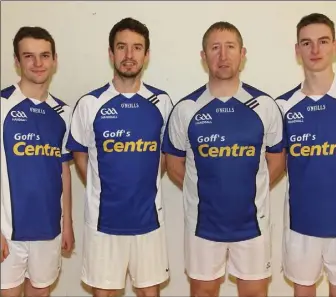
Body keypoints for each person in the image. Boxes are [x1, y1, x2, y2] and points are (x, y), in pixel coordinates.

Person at [162, 21, 286, 297]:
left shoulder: (264, 106)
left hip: (253, 221)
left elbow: (277, 160)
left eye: (230, 47)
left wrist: (248, 190)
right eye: (215, 48)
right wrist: (205, 190)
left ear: (242, 54)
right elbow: (173, 164)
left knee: (254, 292)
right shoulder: (186, 109)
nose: (223, 55)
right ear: (203, 56)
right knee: (203, 291)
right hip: (203, 222)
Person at [66, 17, 172, 297]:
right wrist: (101, 186)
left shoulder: (162, 103)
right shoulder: (90, 104)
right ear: (111, 53)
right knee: (105, 294)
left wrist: (143, 182)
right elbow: (79, 152)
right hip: (103, 222)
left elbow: (165, 154)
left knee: (150, 292)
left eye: (137, 48)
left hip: (149, 221)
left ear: (146, 55)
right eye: (122, 47)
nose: (129, 55)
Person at [276, 13, 336, 297]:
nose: (315, 50)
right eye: (307, 43)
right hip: (301, 221)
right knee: (303, 289)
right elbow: (274, 165)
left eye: (323, 42)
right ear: (297, 50)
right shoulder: (283, 106)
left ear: (335, 46)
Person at [0, 26, 75, 297]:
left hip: (49, 229)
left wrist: (67, 224)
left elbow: (63, 171)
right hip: (8, 230)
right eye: (29, 56)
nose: (38, 63)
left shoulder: (64, 112)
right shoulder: (2, 105)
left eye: (44, 55)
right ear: (17, 62)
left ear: (55, 60)